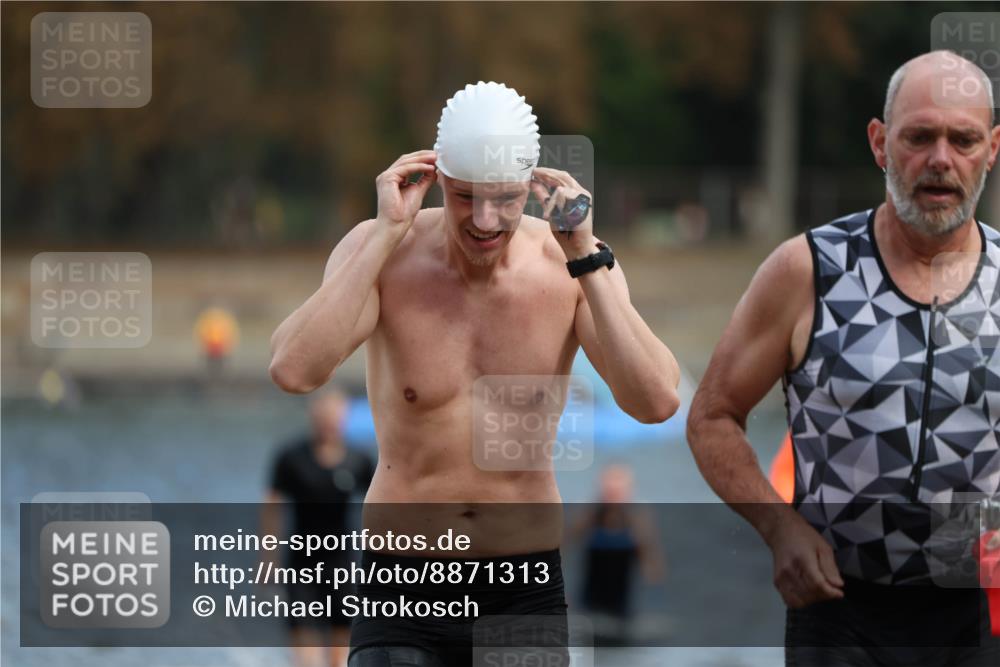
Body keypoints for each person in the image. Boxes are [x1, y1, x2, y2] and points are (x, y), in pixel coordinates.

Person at [269, 81, 680, 666]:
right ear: (436, 177)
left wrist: (585, 258)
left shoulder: (572, 264)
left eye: (504, 199)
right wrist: (384, 233)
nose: (484, 220)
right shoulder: (384, 252)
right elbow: (293, 369)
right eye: (465, 197)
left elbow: (657, 400)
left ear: (533, 185)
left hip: (523, 589)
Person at [687, 51, 1000, 665]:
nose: (941, 159)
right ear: (881, 143)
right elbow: (712, 416)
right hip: (839, 612)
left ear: (992, 149)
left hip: (979, 615)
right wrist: (779, 529)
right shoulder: (809, 269)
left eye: (962, 140)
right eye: (919, 137)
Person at [262, 390, 375, 667]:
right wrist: (268, 559)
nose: (329, 423)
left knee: (340, 650)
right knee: (304, 649)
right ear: (313, 417)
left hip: (340, 562)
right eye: (323, 417)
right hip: (301, 562)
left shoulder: (358, 460)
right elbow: (272, 507)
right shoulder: (291, 457)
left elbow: (378, 507)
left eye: (335, 417)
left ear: (344, 418)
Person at [570, 463, 665, 643]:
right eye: (609, 489)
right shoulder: (591, 512)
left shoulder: (636, 515)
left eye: (618, 489)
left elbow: (649, 551)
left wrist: (653, 573)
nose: (613, 494)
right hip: (592, 595)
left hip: (623, 596)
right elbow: (568, 541)